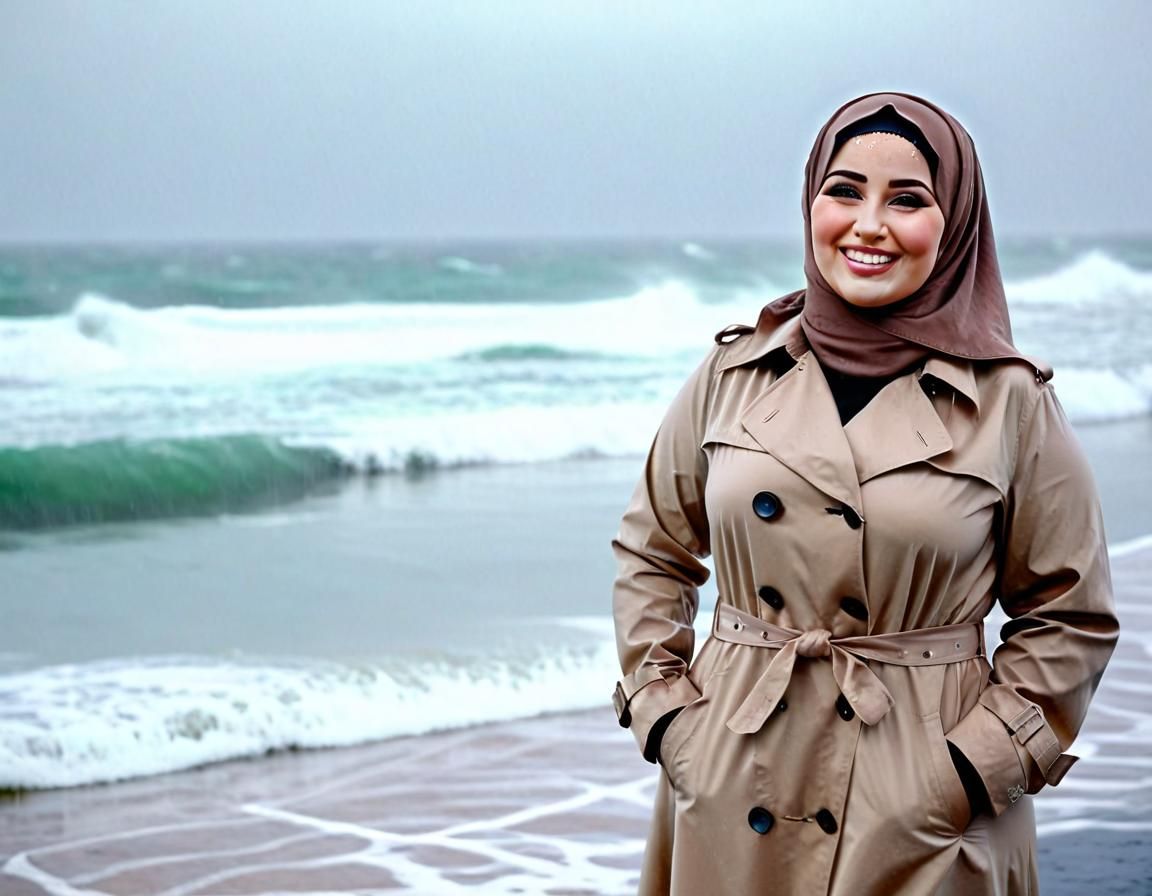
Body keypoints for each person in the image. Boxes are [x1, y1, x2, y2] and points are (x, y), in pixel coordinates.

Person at [610, 92, 1119, 895]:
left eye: (907, 200)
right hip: (733, 773)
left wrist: (969, 768)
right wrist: (669, 719)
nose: (868, 225)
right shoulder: (732, 375)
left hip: (924, 801)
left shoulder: (1010, 401)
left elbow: (1069, 614)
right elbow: (653, 553)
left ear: (952, 225)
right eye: (843, 191)